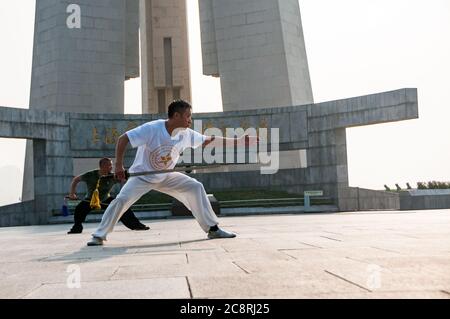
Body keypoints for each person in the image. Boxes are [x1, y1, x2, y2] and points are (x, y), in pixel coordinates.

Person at [87, 100, 258, 246]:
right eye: (188, 116)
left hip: (166, 176)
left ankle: (212, 229)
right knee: (121, 200)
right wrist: (118, 166)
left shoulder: (186, 134)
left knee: (195, 187)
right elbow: (123, 139)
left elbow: (208, 141)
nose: (190, 120)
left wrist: (239, 141)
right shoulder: (152, 128)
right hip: (142, 176)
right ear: (176, 116)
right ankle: (99, 235)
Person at [67, 158, 149, 234]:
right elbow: (76, 180)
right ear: (102, 166)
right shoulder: (91, 174)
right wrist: (72, 193)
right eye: (109, 165)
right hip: (91, 200)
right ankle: (77, 228)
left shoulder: (113, 176)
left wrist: (125, 177)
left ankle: (137, 226)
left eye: (111, 165)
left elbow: (124, 179)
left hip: (105, 199)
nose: (111, 167)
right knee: (79, 210)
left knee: (122, 207)